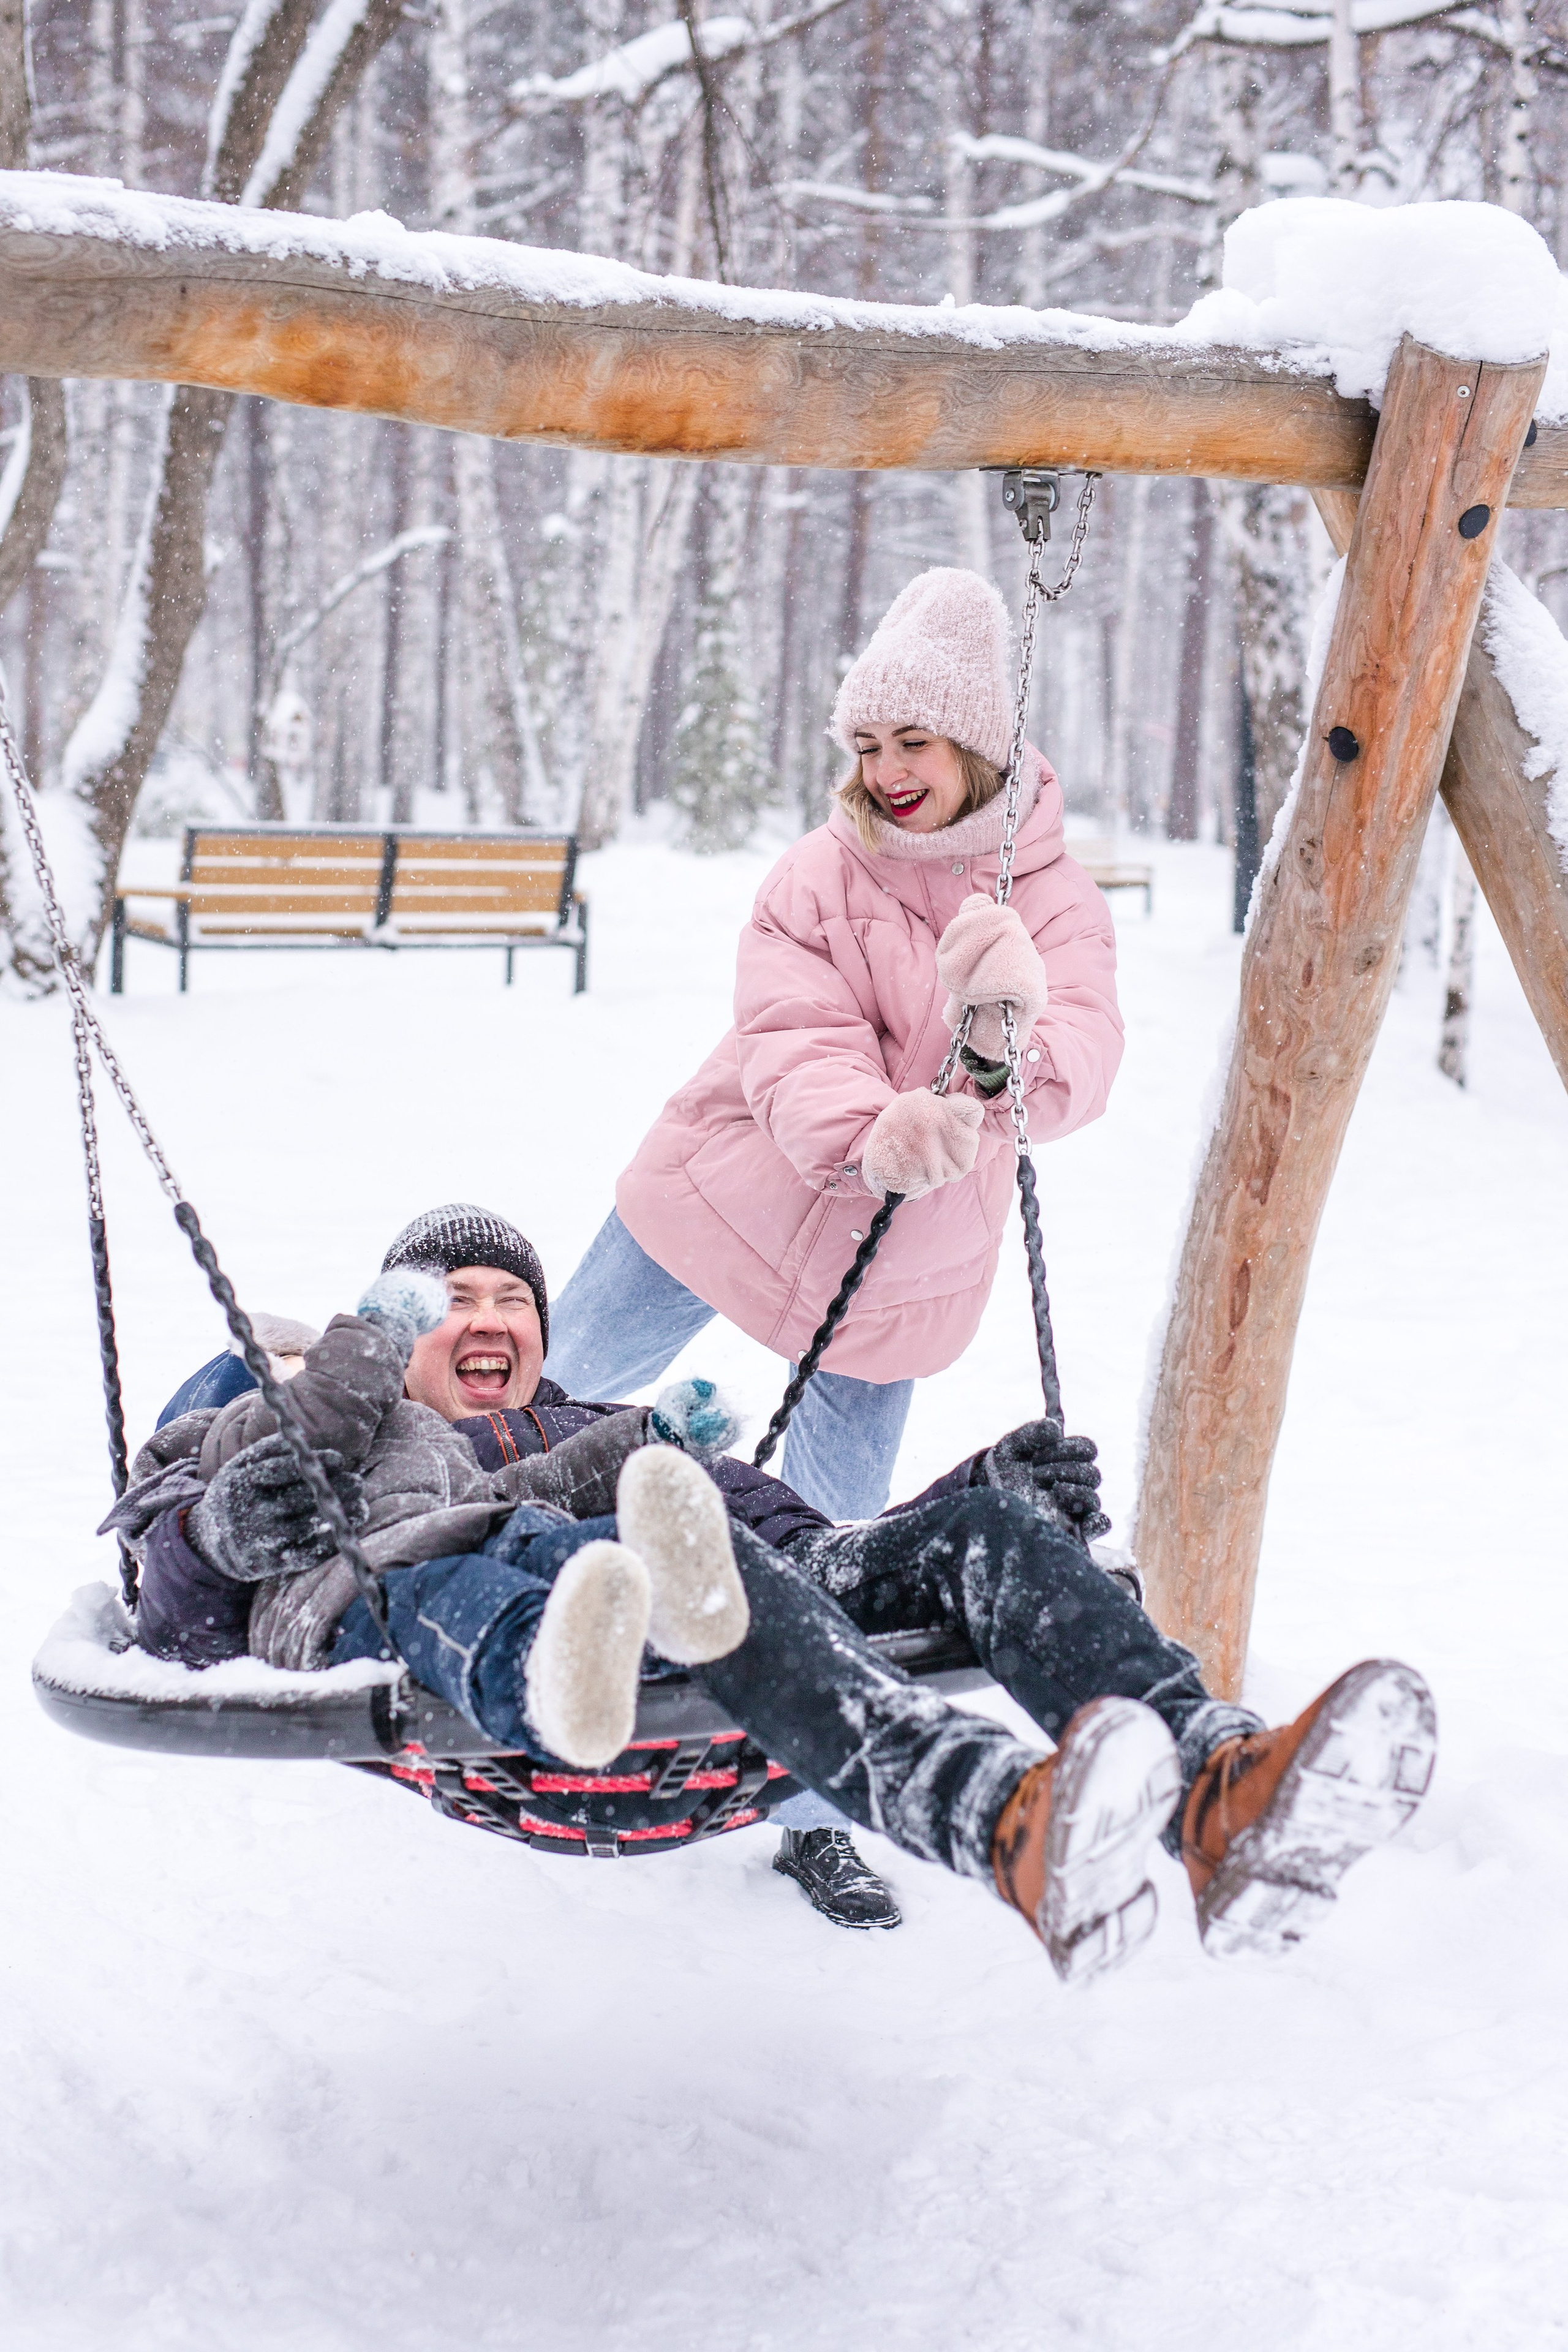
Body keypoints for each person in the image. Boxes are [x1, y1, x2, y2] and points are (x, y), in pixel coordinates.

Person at [119, 1206, 1438, 1984]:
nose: (480, 1317)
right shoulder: (335, 1460)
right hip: (532, 1702)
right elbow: (171, 1609)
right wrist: (218, 1536)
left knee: (957, 1534)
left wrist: (988, 1489)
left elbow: (819, 1548)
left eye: (511, 1299)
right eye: (443, 1298)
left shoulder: (617, 1433)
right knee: (684, 1575)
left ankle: (1218, 1792)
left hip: (727, 1629)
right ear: (386, 1330)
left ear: (541, 1336)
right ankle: (992, 1817)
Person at [545, 567, 1123, 1523]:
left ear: (976, 745)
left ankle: (792, 1635)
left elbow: (1084, 1054)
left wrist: (997, 1055)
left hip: (903, 1255)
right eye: (867, 746)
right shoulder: (819, 873)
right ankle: (440, 1538)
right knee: (547, 1400)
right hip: (725, 1192)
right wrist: (869, 1132)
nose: (886, 771)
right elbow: (795, 1031)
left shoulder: (1056, 901)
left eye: (913, 743)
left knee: (835, 1525)